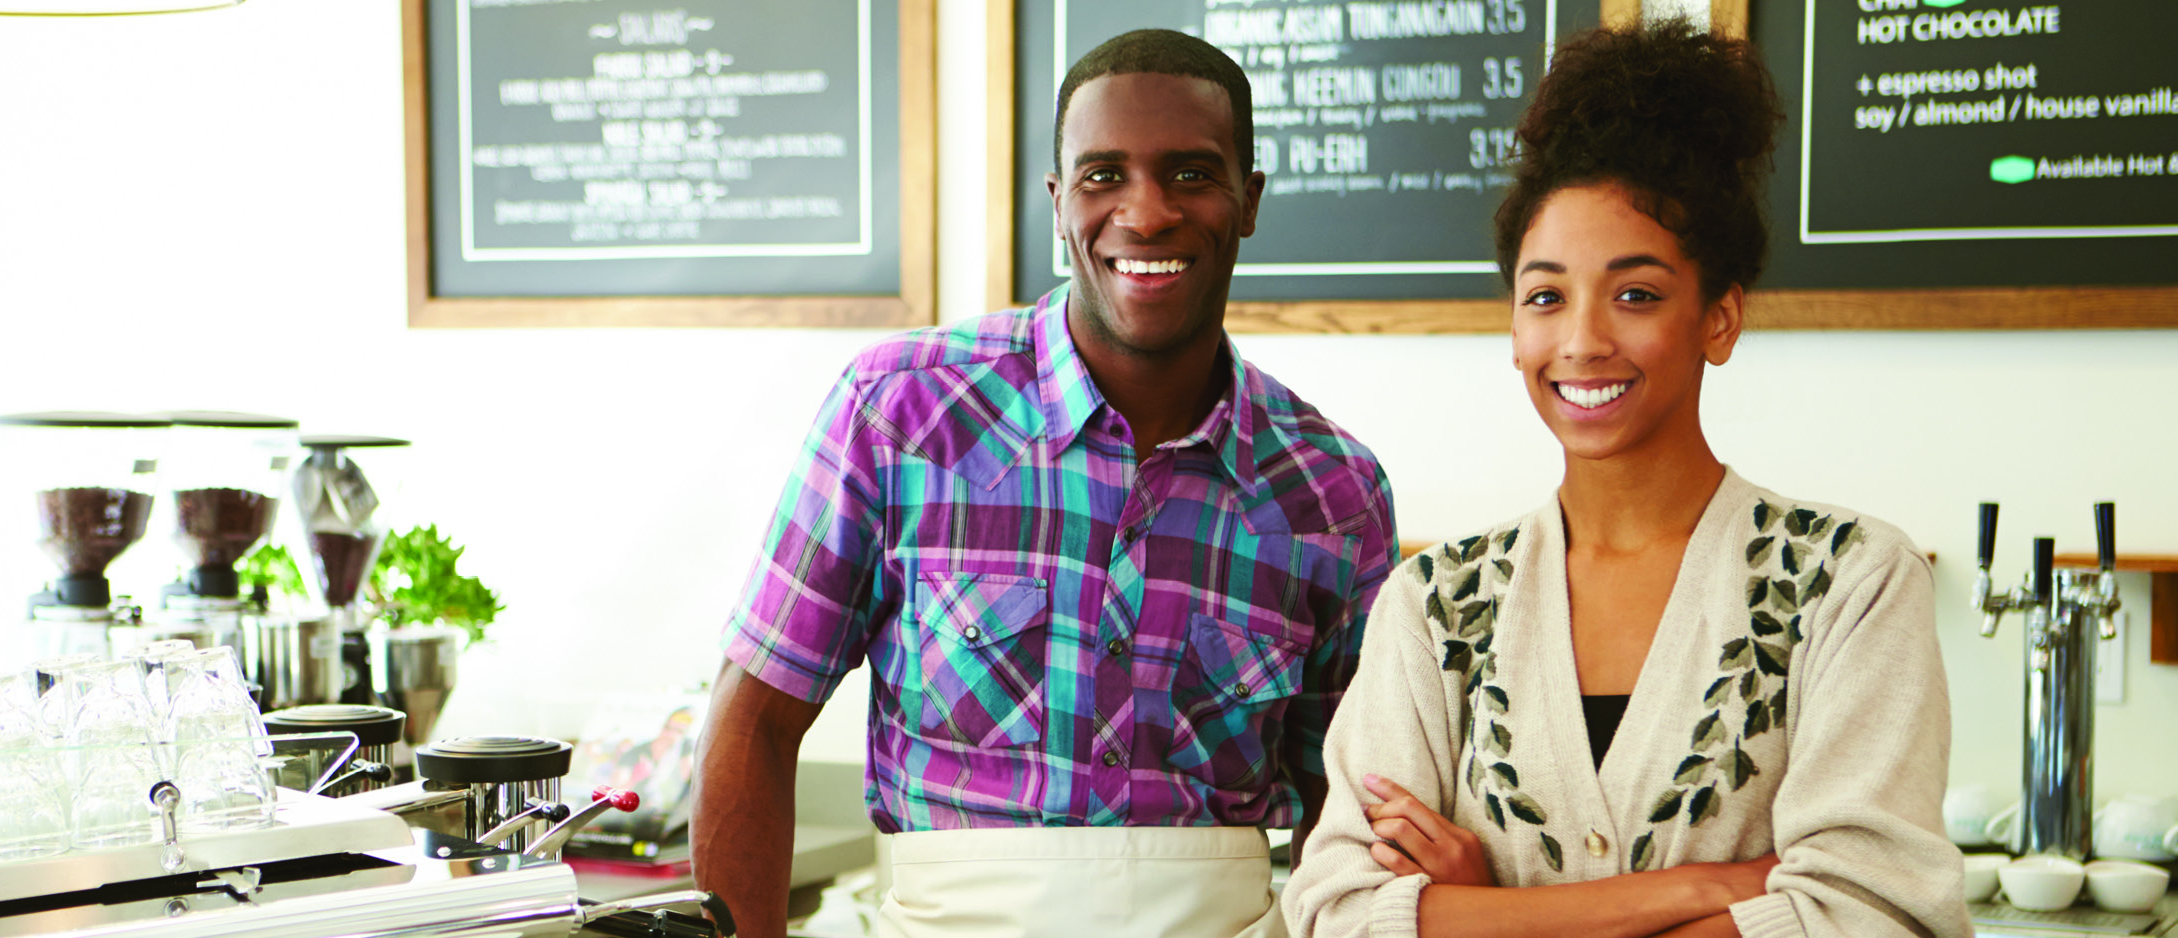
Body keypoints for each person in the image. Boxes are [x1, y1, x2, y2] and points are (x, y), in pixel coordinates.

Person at [694, 28, 1397, 938]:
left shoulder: (1333, 492)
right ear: (1059, 203)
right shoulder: (901, 410)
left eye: (1191, 173)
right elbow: (753, 724)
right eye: (1105, 176)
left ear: (1248, 199)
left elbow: (1338, 812)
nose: (1146, 214)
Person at [1282, 21, 1970, 938]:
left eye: (1636, 293)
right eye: (1545, 295)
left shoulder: (1850, 581)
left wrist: (1489, 911)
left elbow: (1868, 913)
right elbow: (1339, 914)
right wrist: (1705, 888)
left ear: (1719, 318)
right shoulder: (1435, 604)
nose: (1582, 341)